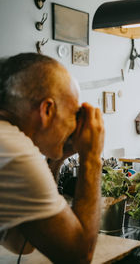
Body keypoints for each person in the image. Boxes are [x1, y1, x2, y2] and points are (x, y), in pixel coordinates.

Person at [0, 53, 104, 263]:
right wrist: (91, 157)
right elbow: (78, 256)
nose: (76, 126)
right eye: (74, 114)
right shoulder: (13, 150)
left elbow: (22, 242)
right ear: (47, 110)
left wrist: (57, 158)